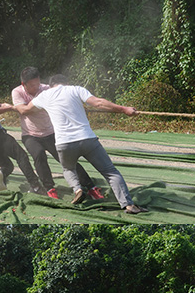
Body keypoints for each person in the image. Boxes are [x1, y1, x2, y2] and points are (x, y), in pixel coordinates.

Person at [22, 74, 147, 213]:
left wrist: (10, 107)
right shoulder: (76, 89)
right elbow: (98, 103)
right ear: (66, 83)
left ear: (51, 86)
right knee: (111, 172)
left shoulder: (44, 95)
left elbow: (25, 109)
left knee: (68, 169)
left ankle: (78, 189)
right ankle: (128, 205)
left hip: (65, 143)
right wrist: (124, 109)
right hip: (87, 139)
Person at [12, 67, 105, 202]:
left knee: (67, 159)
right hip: (30, 134)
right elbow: (23, 110)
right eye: (32, 86)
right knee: (39, 155)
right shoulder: (17, 92)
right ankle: (50, 188)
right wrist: (42, 105)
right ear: (23, 84)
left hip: (51, 132)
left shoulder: (46, 89)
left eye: (37, 84)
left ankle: (90, 186)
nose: (36, 87)